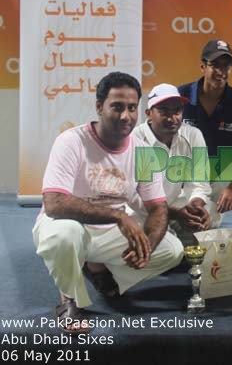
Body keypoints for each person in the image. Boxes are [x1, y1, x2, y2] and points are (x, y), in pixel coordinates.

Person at [33, 72, 183, 333]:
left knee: (171, 249)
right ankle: (70, 299)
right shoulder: (71, 141)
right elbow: (54, 203)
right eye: (117, 107)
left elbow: (157, 207)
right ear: (99, 107)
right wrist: (118, 217)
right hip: (66, 224)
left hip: (109, 233)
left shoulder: (144, 152)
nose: (126, 116)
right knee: (66, 235)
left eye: (131, 108)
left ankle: (98, 268)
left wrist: (146, 246)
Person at [178, 39, 232, 237]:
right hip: (188, 176)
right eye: (215, 65)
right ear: (203, 66)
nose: (221, 71)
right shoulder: (181, 97)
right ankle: (210, 220)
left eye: (226, 66)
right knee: (193, 234)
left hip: (222, 172)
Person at [130, 83, 212, 246]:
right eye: (164, 111)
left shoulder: (193, 135)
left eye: (177, 111)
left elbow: (199, 184)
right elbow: (133, 198)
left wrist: (195, 207)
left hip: (175, 205)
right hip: (144, 212)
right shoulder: (134, 139)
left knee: (210, 214)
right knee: (167, 248)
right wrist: (172, 214)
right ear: (149, 114)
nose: (172, 118)